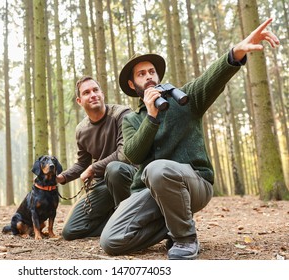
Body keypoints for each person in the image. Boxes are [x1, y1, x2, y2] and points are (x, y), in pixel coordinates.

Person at [100, 18, 280, 259]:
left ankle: (185, 238)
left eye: (152, 71)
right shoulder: (132, 119)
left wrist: (234, 54)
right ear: (133, 85)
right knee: (111, 240)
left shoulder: (186, 98)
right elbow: (132, 154)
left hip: (194, 184)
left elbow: (211, 78)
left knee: (157, 169)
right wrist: (151, 117)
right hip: (150, 192)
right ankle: (173, 225)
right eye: (142, 74)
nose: (149, 76)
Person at [57, 75, 136, 240]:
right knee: (70, 231)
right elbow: (82, 164)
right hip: (103, 185)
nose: (92, 94)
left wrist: (93, 168)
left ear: (102, 94)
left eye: (95, 90)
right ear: (79, 101)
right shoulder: (81, 130)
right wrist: (61, 177)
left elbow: (124, 154)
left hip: (129, 177)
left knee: (114, 170)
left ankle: (129, 222)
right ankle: (114, 222)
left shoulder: (122, 114)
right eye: (86, 92)